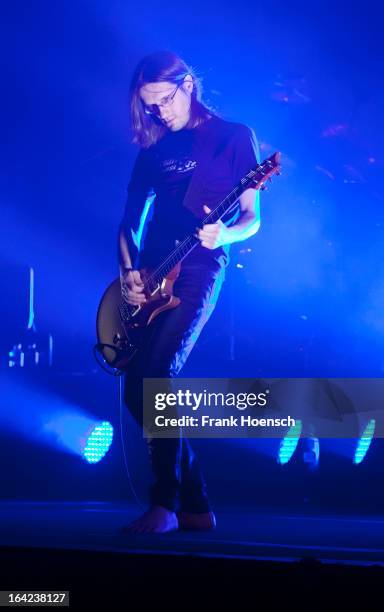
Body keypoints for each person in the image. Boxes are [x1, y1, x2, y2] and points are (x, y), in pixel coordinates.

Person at [119, 50, 261, 534]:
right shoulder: (154, 150)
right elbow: (128, 224)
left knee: (158, 371)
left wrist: (227, 235)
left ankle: (166, 504)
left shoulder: (233, 136)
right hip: (153, 272)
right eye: (149, 104)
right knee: (136, 388)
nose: (158, 111)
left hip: (200, 266)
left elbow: (251, 216)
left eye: (163, 99)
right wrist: (127, 273)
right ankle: (196, 504)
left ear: (187, 85)